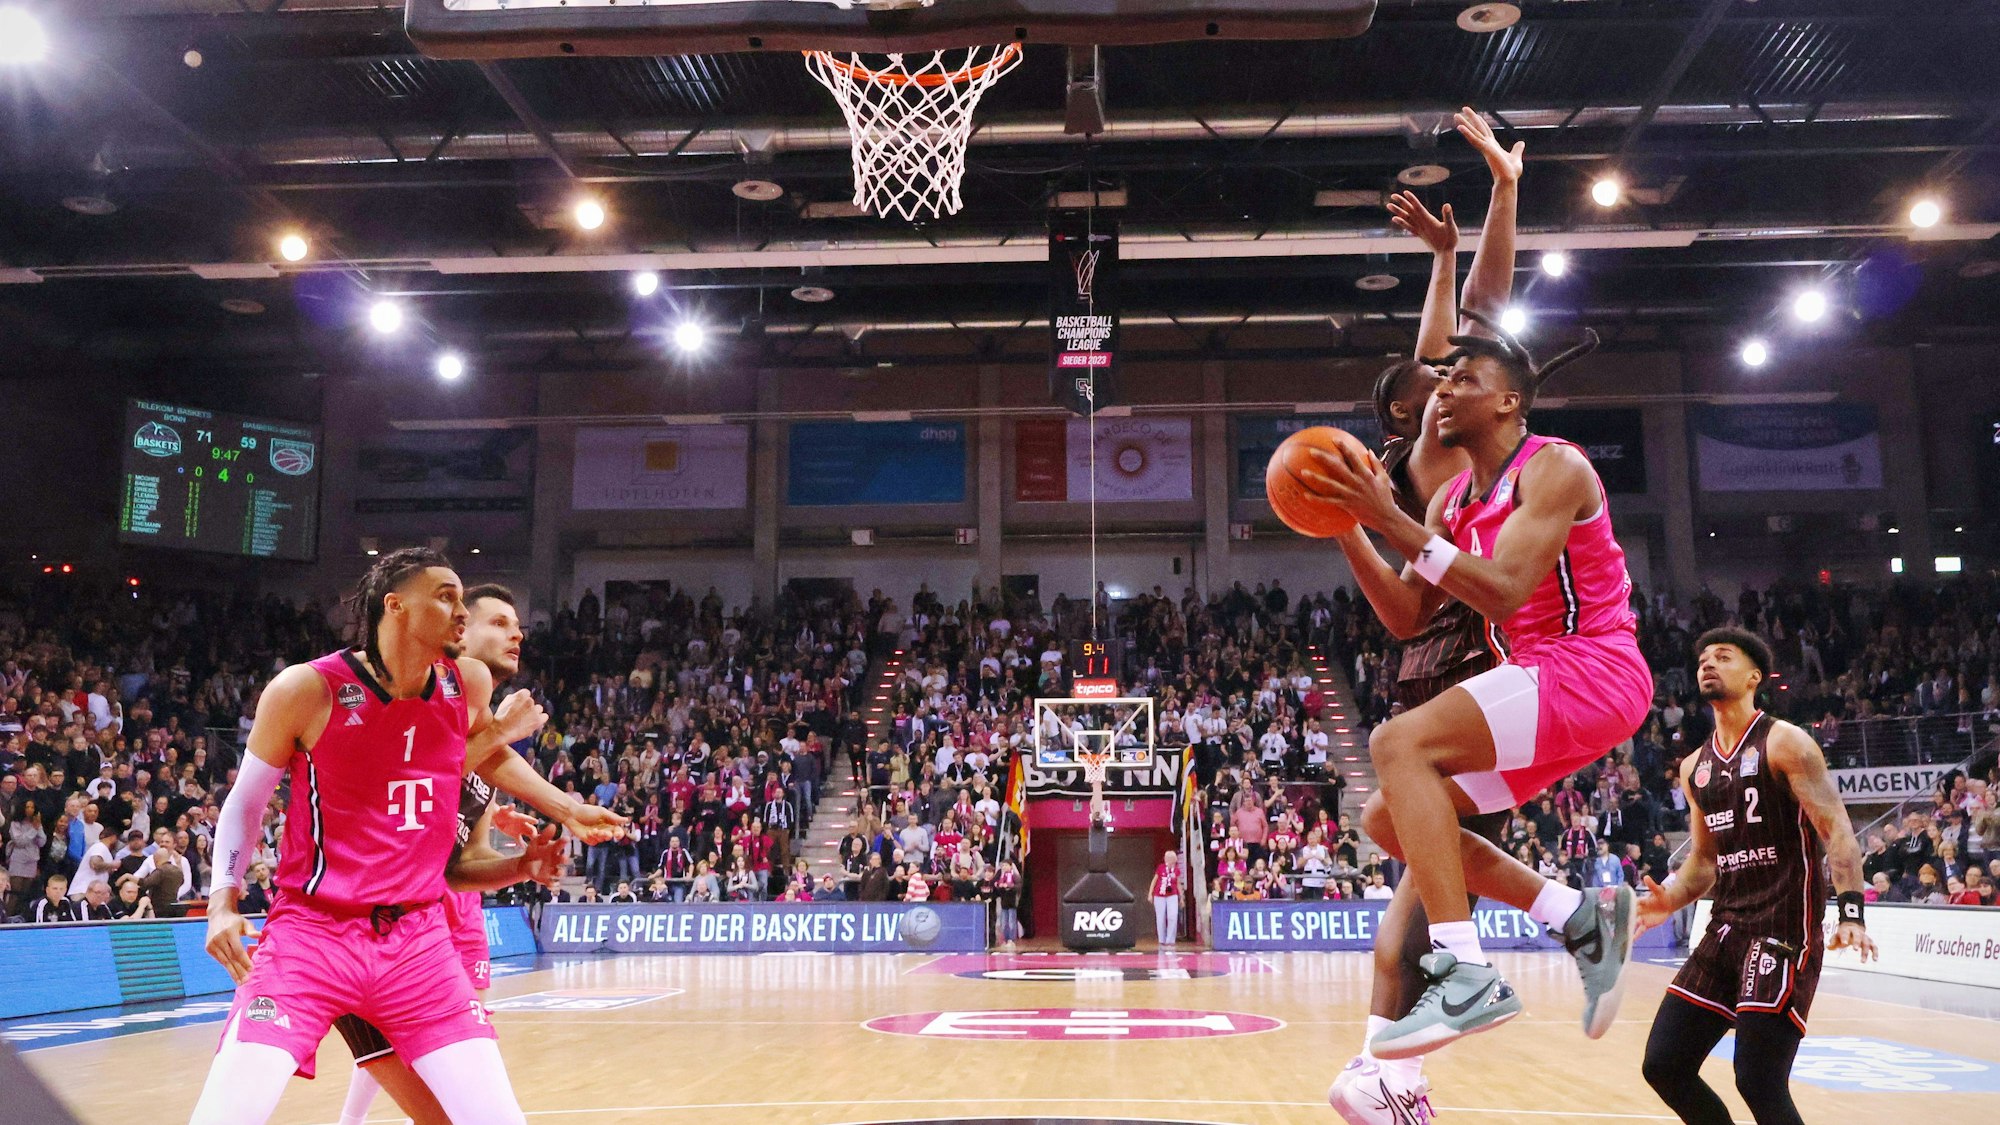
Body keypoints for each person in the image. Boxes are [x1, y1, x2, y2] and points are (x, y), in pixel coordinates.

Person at [1313, 305, 1650, 1055]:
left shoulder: (1554, 465)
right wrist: (1347, 526)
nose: (1443, 389)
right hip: (1542, 673)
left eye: (1463, 377)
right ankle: (1578, 913)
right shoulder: (1450, 499)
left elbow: (1500, 590)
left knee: (1397, 742)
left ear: (1508, 402)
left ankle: (1467, 973)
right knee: (1384, 817)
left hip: (1593, 665)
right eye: (1441, 379)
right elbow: (1404, 614)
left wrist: (1389, 520)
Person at [187, 548, 550, 1125]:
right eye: (447, 596)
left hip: (417, 936)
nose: (461, 612)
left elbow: (488, 764)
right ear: (395, 605)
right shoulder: (306, 688)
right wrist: (222, 902)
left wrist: (558, 817)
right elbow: (245, 803)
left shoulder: (460, 689)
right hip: (314, 931)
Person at [1329, 105, 1529, 1124]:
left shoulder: (1440, 459)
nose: (1456, 372)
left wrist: (1480, 217)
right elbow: (1466, 331)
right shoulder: (1429, 458)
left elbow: (1471, 324)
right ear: (1414, 412)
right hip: (1447, 680)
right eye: (1439, 379)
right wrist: (1342, 528)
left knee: (1413, 900)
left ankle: (1390, 1074)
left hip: (1456, 674)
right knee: (1410, 902)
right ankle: (1387, 1074)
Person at [332, 582, 596, 1125]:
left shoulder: (483, 740)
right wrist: (502, 732)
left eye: (517, 625)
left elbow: (459, 868)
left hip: (417, 928)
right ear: (458, 630)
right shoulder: (413, 696)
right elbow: (400, 782)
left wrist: (522, 863)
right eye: (496, 622)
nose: (516, 633)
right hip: (354, 929)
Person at [1636, 629, 1877, 1125]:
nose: (1707, 664)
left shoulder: (1785, 742)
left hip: (1782, 930)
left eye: (1722, 657)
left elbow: (1838, 832)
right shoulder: (1693, 768)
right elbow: (1704, 863)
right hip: (1725, 928)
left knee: (1758, 1078)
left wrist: (1851, 911)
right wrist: (1669, 900)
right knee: (1664, 1064)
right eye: (1702, 658)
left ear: (1753, 677)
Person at [1149, 850, 1183, 947]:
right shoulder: (1160, 868)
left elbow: (1178, 883)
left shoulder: (1176, 870)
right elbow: (1154, 881)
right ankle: (1161, 939)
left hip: (1172, 894)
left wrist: (1181, 897)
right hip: (1159, 895)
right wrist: (1150, 893)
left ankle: (1170, 939)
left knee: (1173, 915)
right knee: (1160, 917)